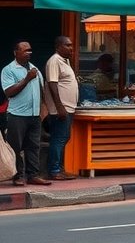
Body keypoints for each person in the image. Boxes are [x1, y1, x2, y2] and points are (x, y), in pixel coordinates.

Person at [1, 41, 50, 186]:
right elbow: (9, 92)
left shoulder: (34, 68)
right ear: (15, 52)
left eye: (30, 50)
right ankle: (18, 175)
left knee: (33, 146)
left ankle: (33, 175)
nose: (29, 53)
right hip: (17, 115)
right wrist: (27, 79)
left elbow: (41, 90)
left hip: (34, 115)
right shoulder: (8, 70)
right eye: (25, 50)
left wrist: (43, 110)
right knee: (15, 146)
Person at [44, 36, 79, 181]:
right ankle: (54, 170)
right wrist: (60, 107)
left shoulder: (65, 61)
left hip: (68, 108)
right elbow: (52, 84)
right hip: (60, 109)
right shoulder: (54, 61)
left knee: (64, 137)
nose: (71, 48)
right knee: (59, 138)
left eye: (71, 45)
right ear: (58, 46)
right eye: (67, 45)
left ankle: (58, 168)